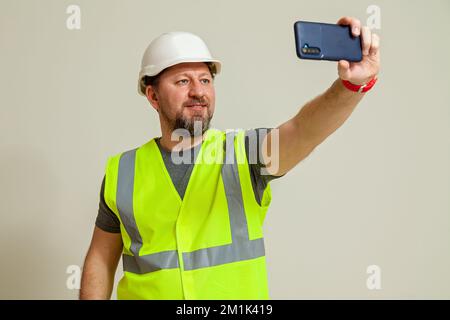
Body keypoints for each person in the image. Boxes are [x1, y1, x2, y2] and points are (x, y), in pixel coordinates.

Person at [80, 16, 380, 299]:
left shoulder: (245, 154)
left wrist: (351, 86)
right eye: (183, 81)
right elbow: (100, 259)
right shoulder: (123, 171)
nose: (198, 91)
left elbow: (303, 130)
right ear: (153, 96)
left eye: (205, 80)